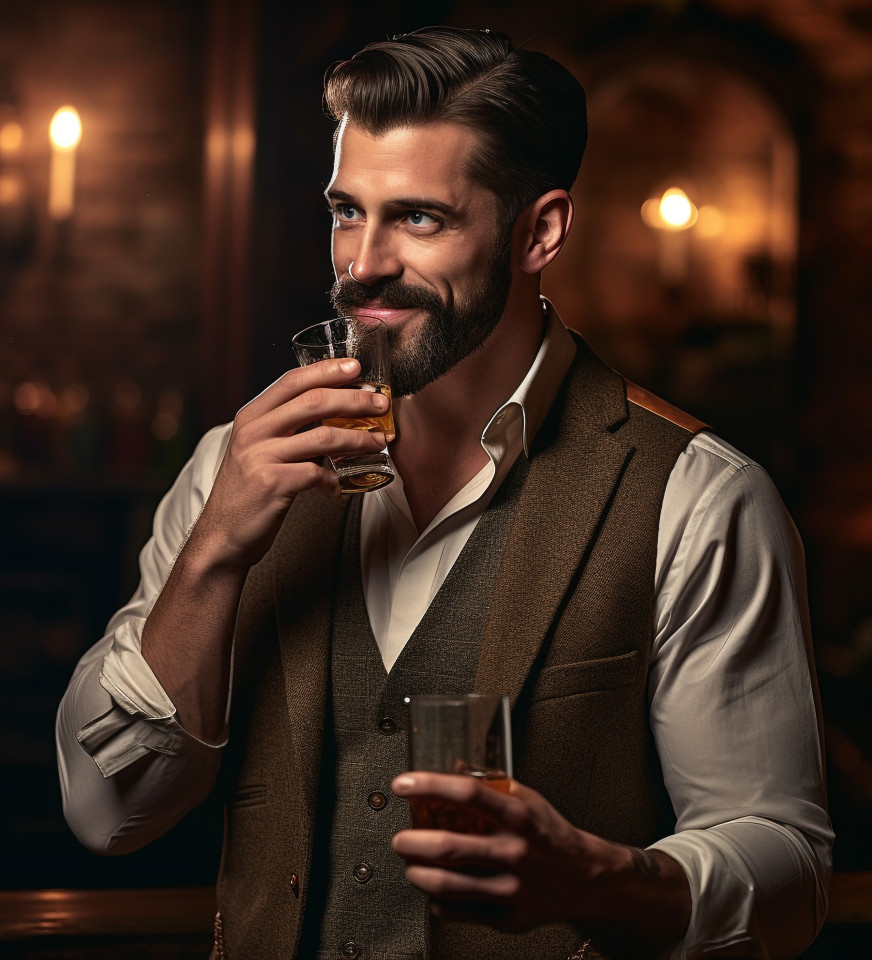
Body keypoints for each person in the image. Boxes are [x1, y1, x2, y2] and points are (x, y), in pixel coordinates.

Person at [57, 26, 832, 960]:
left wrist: (596, 880)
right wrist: (216, 548)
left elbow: (785, 871)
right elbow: (110, 815)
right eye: (348, 212)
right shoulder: (239, 463)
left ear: (539, 231)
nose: (364, 264)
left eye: (418, 218)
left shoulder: (697, 496)